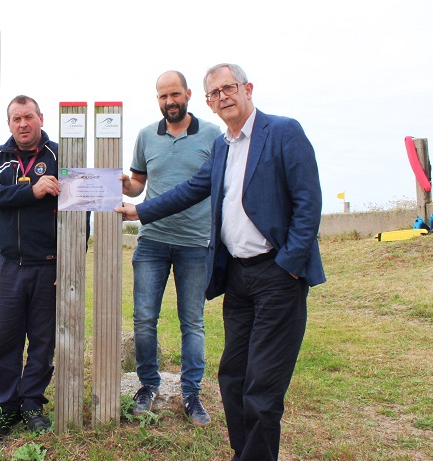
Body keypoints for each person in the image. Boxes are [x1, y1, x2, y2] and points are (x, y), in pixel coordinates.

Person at [116, 63, 325, 461]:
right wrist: (139, 212)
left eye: (229, 87)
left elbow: (307, 203)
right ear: (209, 102)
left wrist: (289, 265)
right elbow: (191, 190)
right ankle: (242, 452)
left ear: (248, 88)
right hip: (238, 277)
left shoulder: (283, 131)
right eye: (216, 92)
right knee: (232, 377)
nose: (223, 96)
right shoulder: (223, 146)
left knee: (262, 388)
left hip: (277, 274)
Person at [122, 70, 221, 425]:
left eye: (175, 95)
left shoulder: (213, 135)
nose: (169, 102)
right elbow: (138, 185)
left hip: (195, 243)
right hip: (152, 241)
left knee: (192, 322)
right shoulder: (146, 136)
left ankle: (191, 393)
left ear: (189, 94)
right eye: (163, 97)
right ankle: (148, 385)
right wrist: (125, 185)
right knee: (145, 319)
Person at [0, 95, 60, 442]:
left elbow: (81, 209)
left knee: (42, 341)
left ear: (40, 117)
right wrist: (31, 190)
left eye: (28, 117)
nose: (22, 124)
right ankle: (4, 408)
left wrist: (71, 263)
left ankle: (31, 404)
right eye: (15, 119)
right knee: (6, 340)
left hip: (49, 267)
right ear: (9, 123)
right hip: (9, 265)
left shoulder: (60, 155)